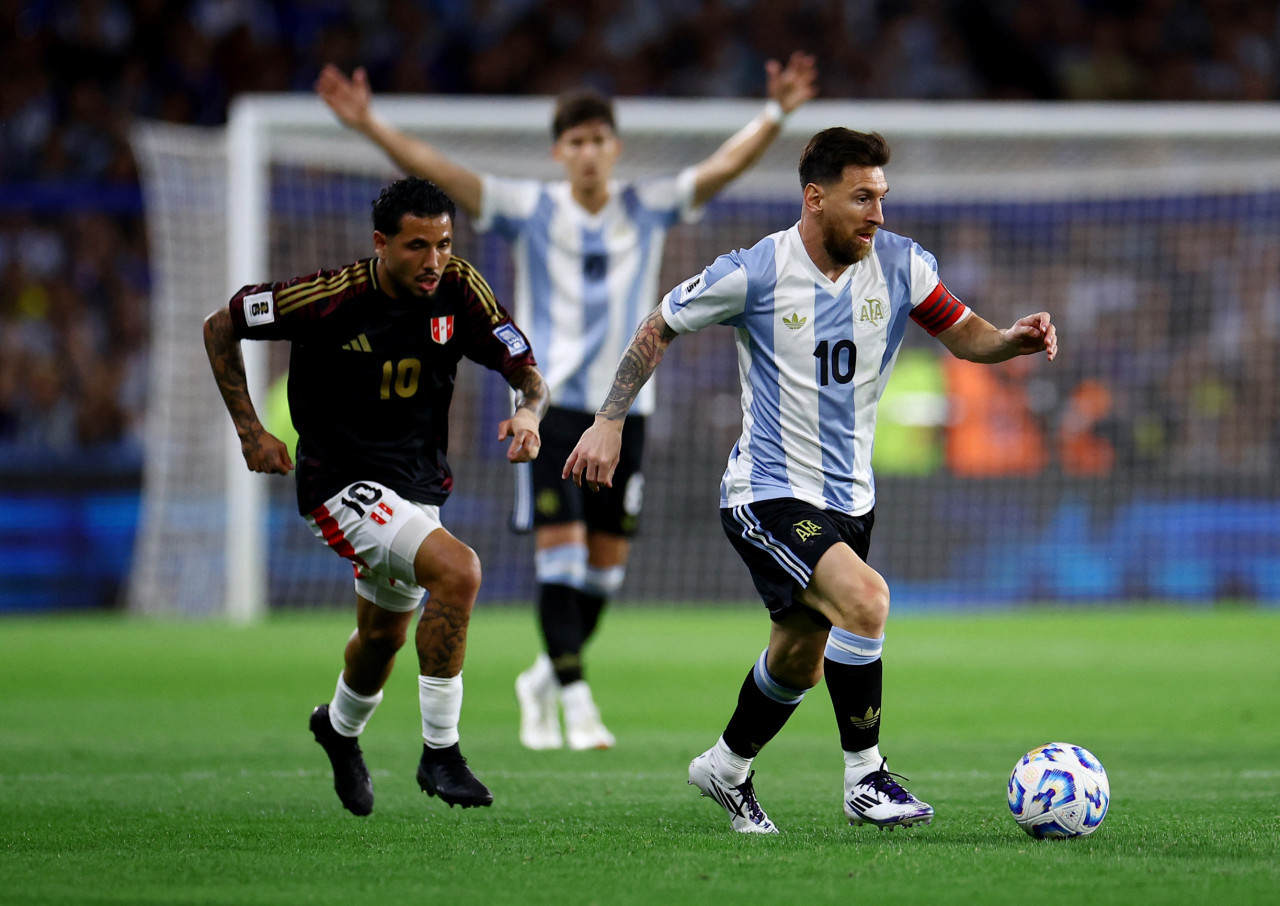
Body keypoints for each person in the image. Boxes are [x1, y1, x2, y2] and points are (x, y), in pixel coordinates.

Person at [316, 53, 819, 752]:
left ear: (615, 148)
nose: (587, 153)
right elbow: (443, 172)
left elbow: (721, 167)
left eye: (597, 140)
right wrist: (369, 122)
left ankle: (545, 680)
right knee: (561, 559)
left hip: (625, 412)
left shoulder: (645, 206)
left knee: (604, 573)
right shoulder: (531, 209)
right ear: (560, 152)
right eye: (574, 142)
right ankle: (578, 702)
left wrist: (777, 113)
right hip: (551, 410)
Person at [564, 128, 1058, 832]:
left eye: (882, 198)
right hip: (766, 491)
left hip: (851, 499)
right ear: (815, 198)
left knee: (799, 660)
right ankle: (866, 778)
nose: (878, 214)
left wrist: (1011, 339)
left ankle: (725, 768)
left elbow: (963, 331)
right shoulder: (755, 270)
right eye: (863, 198)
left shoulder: (902, 265)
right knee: (867, 600)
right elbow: (659, 324)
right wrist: (610, 419)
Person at [202, 177, 547, 816]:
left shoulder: (459, 289)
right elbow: (220, 325)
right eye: (417, 246)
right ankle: (440, 753)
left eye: (444, 243)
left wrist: (528, 413)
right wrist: (252, 432)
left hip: (416, 486)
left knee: (382, 638)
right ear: (381, 243)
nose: (434, 260)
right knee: (460, 571)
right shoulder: (327, 298)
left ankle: (338, 728)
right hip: (337, 484)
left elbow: (525, 370)